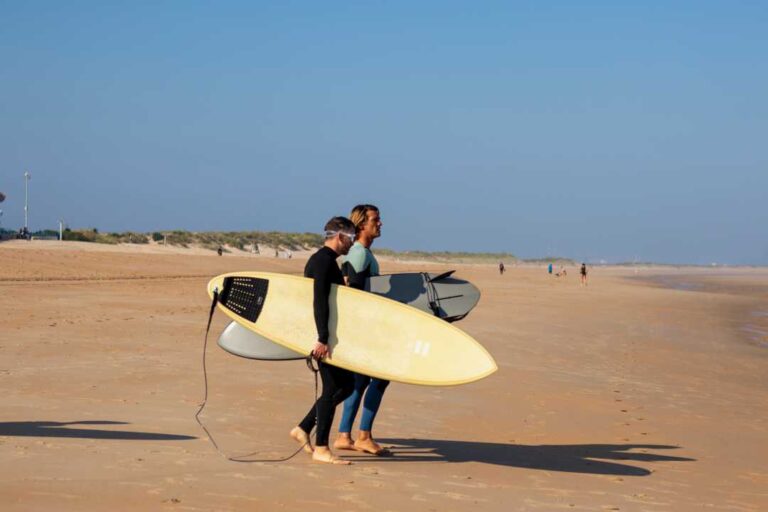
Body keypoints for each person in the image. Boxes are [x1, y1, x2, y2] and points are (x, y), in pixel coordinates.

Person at [289, 216, 357, 465]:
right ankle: (321, 448)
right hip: (322, 337)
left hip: (326, 335)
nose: (352, 243)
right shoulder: (322, 262)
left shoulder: (327, 262)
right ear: (340, 236)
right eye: (350, 238)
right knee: (334, 389)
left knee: (346, 386)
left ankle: (304, 428)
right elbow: (318, 301)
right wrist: (322, 338)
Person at [333, 204, 389, 456]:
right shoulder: (359, 254)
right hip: (363, 328)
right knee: (380, 376)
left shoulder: (360, 252)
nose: (380, 223)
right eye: (375, 220)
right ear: (361, 225)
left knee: (360, 380)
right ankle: (363, 435)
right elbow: (352, 291)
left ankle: (345, 435)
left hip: (362, 327)